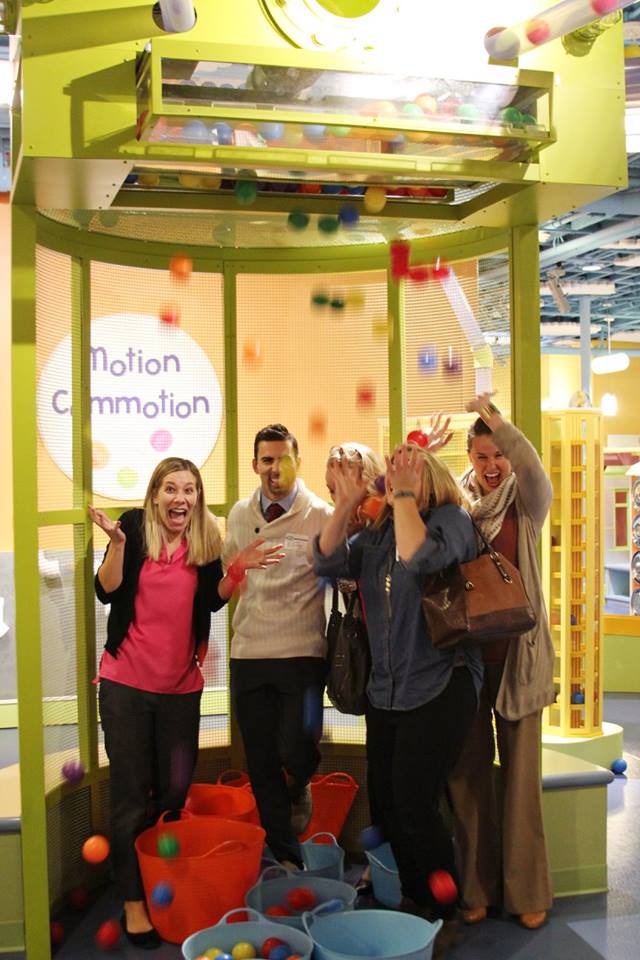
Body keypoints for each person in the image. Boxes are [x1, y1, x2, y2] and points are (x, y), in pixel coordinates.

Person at [91, 457, 281, 949]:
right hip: (126, 686)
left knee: (174, 792)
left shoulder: (204, 539)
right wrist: (116, 546)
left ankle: (161, 879)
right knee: (133, 796)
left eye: (189, 490)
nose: (181, 498)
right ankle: (134, 902)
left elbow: (213, 600)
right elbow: (106, 590)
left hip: (180, 690)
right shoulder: (134, 528)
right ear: (155, 494)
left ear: (197, 498)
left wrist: (237, 571)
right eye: (171, 489)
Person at [314, 443, 482, 953]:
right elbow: (326, 560)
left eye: (406, 476)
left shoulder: (451, 520)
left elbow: (419, 556)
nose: (393, 485)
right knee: (387, 800)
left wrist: (404, 496)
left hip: (441, 682)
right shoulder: (379, 532)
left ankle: (443, 909)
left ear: (428, 480)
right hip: (387, 688)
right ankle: (413, 896)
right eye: (392, 478)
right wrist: (347, 503)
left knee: (413, 801)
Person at [447, 394, 555, 930]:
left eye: (499, 455)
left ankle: (527, 891)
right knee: (466, 777)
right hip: (465, 662)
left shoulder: (526, 500)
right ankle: (475, 888)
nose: (492, 466)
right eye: (482, 456)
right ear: (469, 458)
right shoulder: (456, 505)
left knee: (521, 781)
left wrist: (502, 425)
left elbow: (533, 468)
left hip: (520, 659)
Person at [224, 423, 333, 869]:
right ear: (255, 465)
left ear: (297, 462)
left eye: (283, 459)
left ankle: (300, 780)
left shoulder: (320, 514)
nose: (274, 468)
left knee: (298, 750)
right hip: (249, 652)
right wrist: (239, 567)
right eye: (266, 460)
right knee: (262, 760)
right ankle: (287, 856)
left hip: (303, 651)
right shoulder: (238, 515)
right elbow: (230, 578)